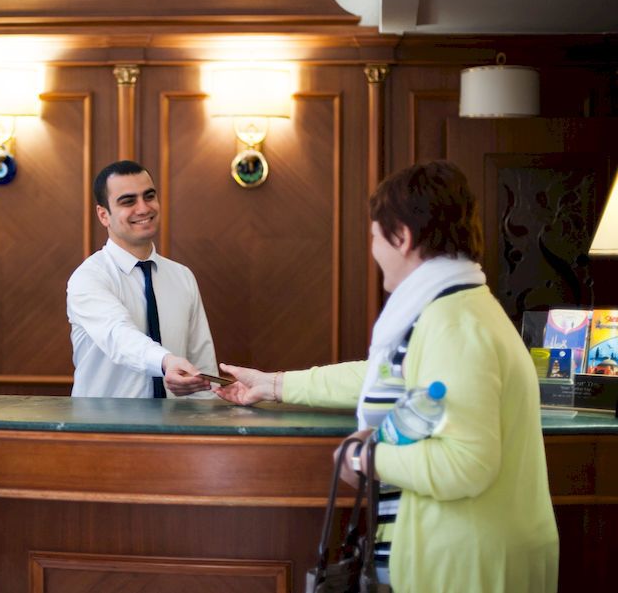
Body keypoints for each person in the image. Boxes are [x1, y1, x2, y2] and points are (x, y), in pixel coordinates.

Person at [215, 161, 559, 593]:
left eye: (375, 237)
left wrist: (363, 459)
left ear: (403, 237)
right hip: (459, 552)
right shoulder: (452, 306)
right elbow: (386, 376)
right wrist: (276, 385)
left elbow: (466, 465)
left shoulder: (453, 323)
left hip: (466, 564)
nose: (373, 248)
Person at [67, 160, 217, 398]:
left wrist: (209, 419)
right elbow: (119, 335)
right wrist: (165, 361)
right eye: (128, 201)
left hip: (175, 428)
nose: (143, 208)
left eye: (149, 196)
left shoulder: (182, 277)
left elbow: (201, 362)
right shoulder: (88, 278)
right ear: (104, 215)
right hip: (102, 429)